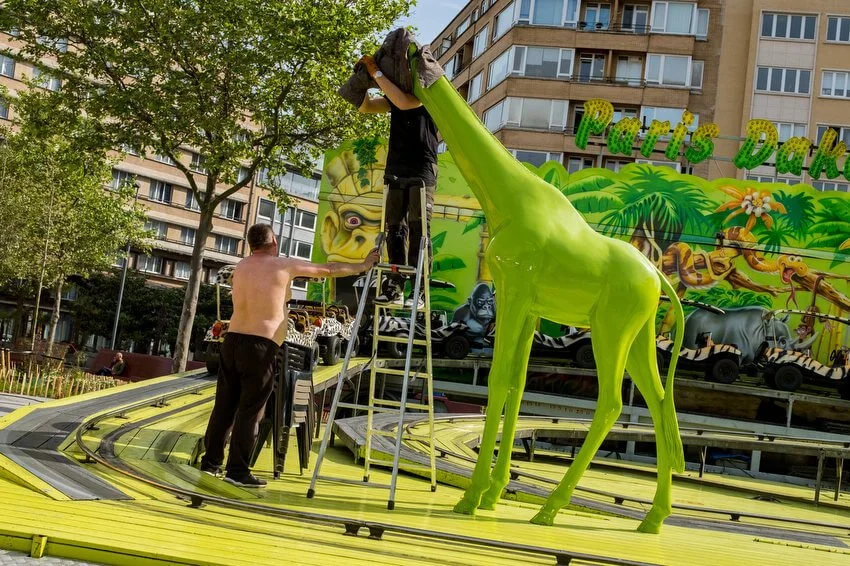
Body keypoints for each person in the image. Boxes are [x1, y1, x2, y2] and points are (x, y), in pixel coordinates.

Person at [199, 223, 379, 487]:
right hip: (260, 346)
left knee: (224, 406)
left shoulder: (242, 266)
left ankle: (211, 462)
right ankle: (237, 471)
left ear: (251, 244)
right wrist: (363, 265)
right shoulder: (282, 264)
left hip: (232, 339)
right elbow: (328, 270)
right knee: (250, 411)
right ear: (273, 242)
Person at [357, 54, 438, 308]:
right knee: (394, 228)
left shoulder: (427, 96)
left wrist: (376, 73)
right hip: (396, 170)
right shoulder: (394, 99)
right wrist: (361, 80)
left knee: (418, 229)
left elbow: (403, 103)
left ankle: (420, 290)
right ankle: (395, 284)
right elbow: (366, 107)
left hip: (421, 171)